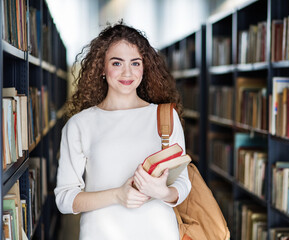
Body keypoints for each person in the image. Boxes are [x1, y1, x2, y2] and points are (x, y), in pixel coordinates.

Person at [54, 21, 191, 240]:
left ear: (144, 67)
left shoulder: (165, 116)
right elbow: (64, 199)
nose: (127, 72)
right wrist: (118, 195)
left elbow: (183, 182)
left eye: (135, 63)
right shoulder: (80, 124)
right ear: (101, 67)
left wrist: (163, 192)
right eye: (117, 63)